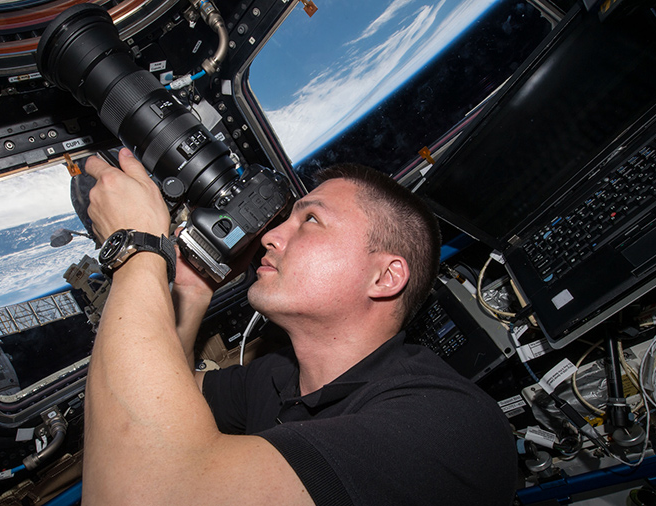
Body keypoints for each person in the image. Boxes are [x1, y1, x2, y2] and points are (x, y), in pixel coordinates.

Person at [80, 148, 516, 505]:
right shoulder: (277, 376)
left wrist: (135, 250)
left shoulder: (447, 427)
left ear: (385, 278)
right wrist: (192, 292)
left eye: (310, 220)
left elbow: (147, 494)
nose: (270, 236)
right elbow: (146, 394)